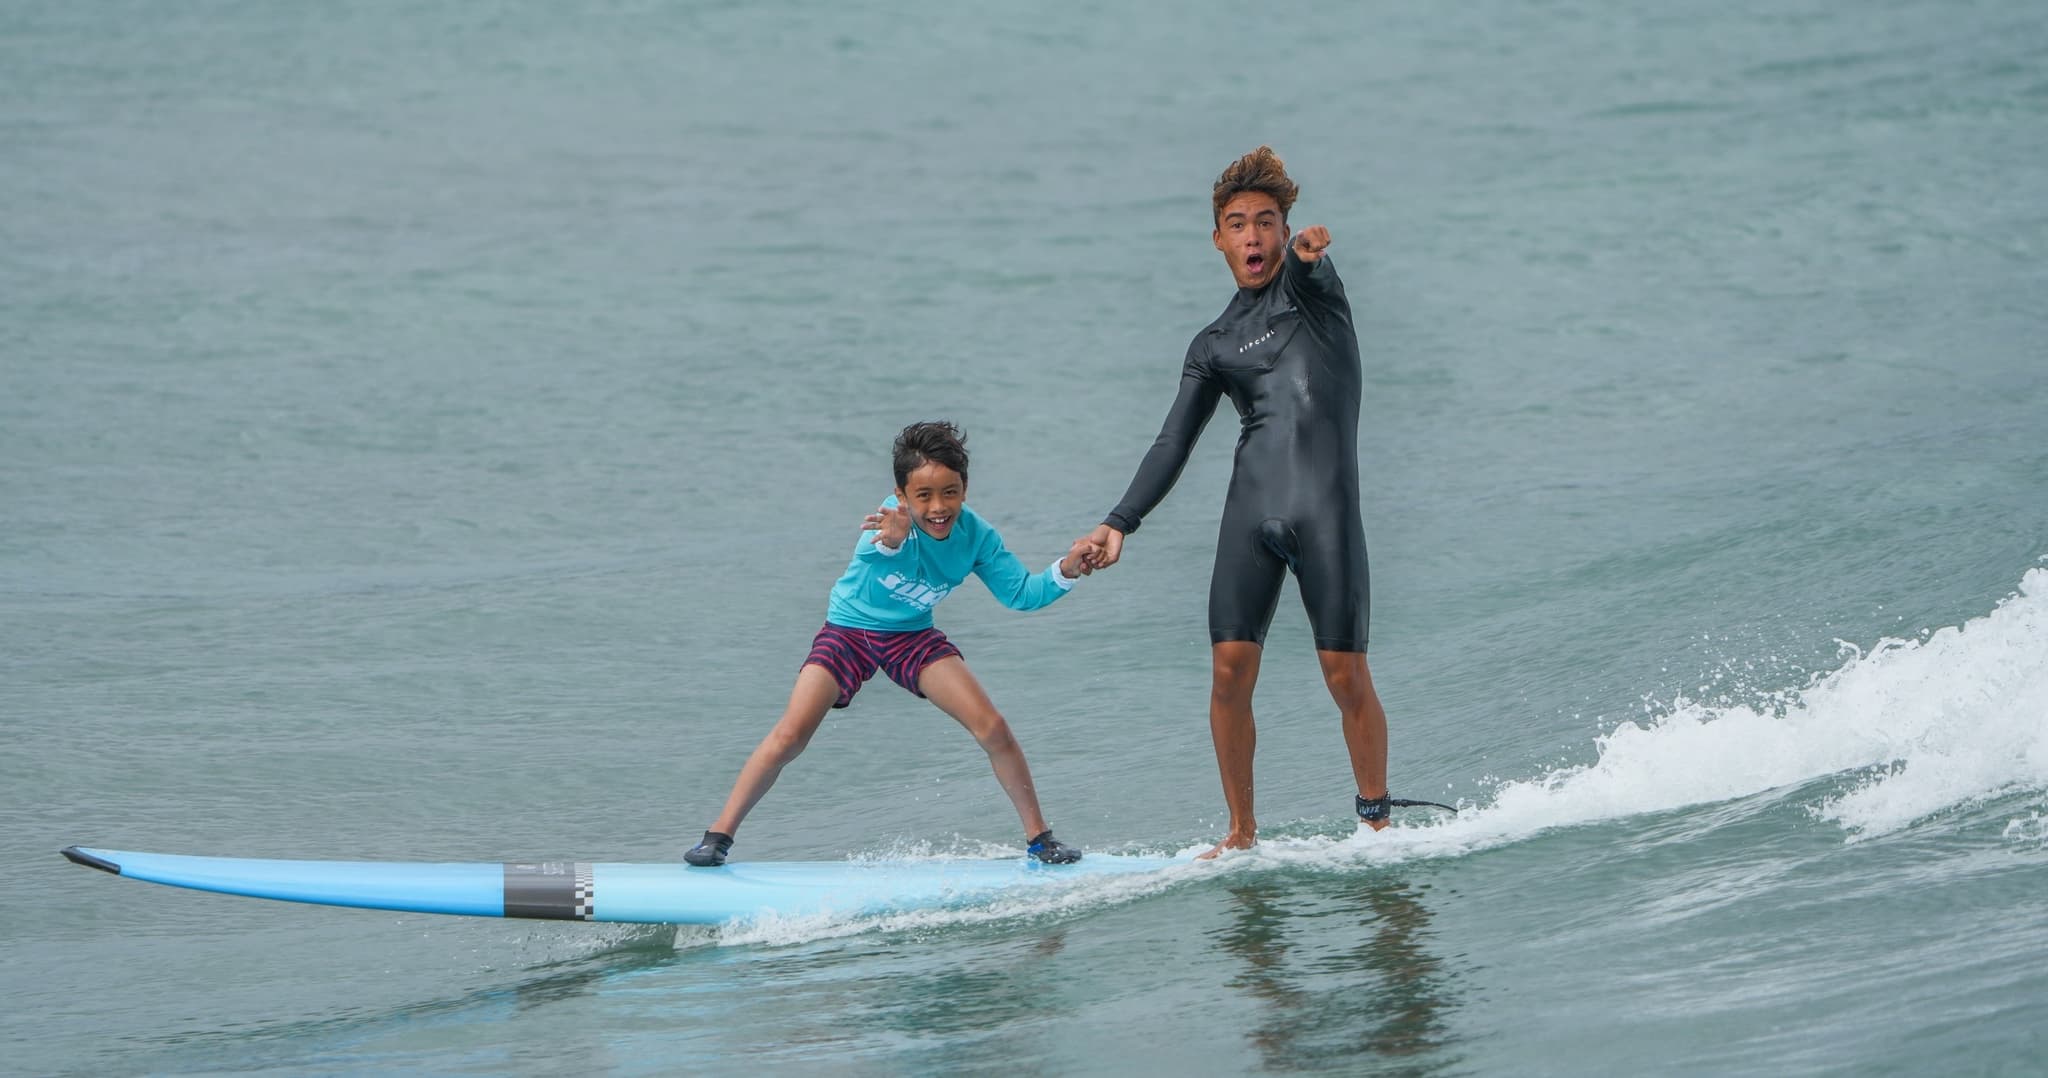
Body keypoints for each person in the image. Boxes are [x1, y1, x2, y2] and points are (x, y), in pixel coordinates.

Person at [1084, 145, 1405, 856]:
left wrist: (1313, 257)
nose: (1253, 236)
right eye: (1238, 224)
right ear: (1218, 239)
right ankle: (1241, 833)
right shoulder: (1214, 344)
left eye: (1266, 222)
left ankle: (1376, 819)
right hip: (1250, 511)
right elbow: (1173, 440)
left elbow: (1312, 268)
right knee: (1228, 671)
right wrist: (1119, 521)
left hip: (1324, 509)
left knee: (1344, 671)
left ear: (1285, 231)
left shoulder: (1314, 297)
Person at [684, 420, 1096, 867]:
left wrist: (1066, 570)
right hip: (848, 632)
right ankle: (717, 838)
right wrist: (893, 542)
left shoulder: (977, 537)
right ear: (902, 494)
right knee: (791, 735)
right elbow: (871, 551)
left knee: (993, 728)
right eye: (924, 496)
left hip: (911, 637)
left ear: (965, 488)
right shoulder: (888, 520)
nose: (938, 508)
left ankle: (1040, 840)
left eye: (950, 492)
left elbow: (1021, 594)